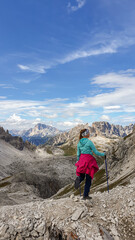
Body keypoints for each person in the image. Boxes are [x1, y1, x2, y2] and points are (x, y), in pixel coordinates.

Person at [75, 128, 105, 200]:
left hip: (82, 160)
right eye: (88, 133)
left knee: (82, 176)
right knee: (88, 179)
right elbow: (96, 152)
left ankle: (78, 179)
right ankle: (85, 195)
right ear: (86, 134)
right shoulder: (89, 142)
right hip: (89, 161)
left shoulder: (79, 143)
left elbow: (78, 154)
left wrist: (79, 162)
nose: (89, 134)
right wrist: (104, 154)